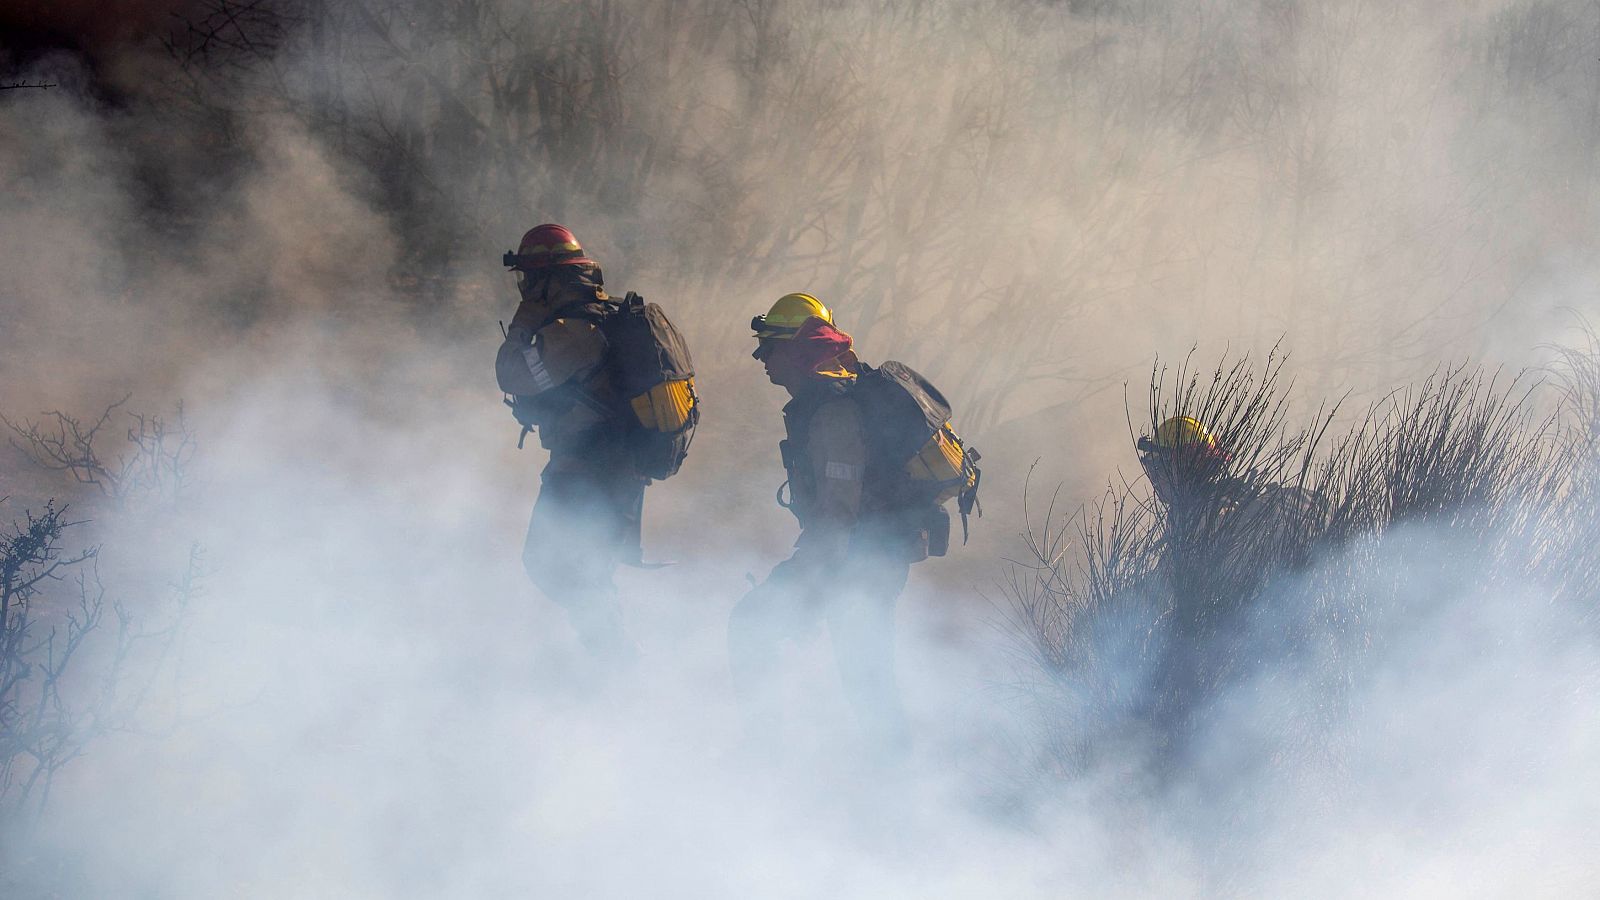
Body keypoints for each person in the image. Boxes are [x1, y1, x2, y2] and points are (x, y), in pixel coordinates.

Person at [728, 293, 932, 757]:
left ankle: (772, 756)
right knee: (864, 672)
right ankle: (886, 766)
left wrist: (810, 581)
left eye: (770, 347)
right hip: (864, 558)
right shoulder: (823, 404)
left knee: (760, 627)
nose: (761, 358)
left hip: (858, 563)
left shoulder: (833, 415)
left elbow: (839, 511)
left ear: (797, 351)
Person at [494, 223, 646, 662]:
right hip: (609, 468)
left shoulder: (573, 331)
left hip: (586, 469)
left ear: (547, 279)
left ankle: (617, 659)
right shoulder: (597, 319)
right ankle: (613, 660)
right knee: (585, 569)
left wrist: (523, 322)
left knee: (551, 564)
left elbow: (512, 373)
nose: (525, 289)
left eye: (529, 278)